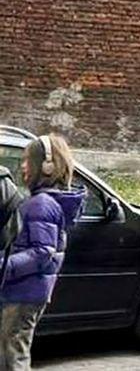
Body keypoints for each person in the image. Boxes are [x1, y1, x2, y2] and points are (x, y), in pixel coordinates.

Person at [0, 135, 84, 371]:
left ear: (46, 166)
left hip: (22, 293)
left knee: (12, 356)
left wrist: (3, 265)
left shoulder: (41, 204)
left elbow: (42, 252)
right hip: (28, 292)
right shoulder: (46, 201)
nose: (23, 166)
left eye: (28, 160)